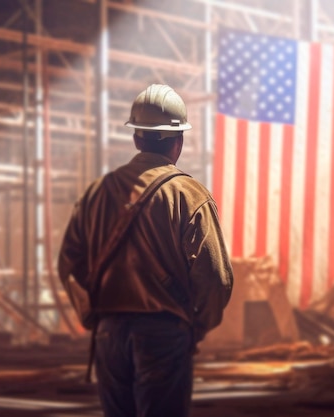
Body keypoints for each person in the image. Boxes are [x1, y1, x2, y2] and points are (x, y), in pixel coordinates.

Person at [57, 84, 233, 417]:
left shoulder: (98, 192)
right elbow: (215, 277)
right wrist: (198, 326)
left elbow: (68, 264)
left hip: (109, 335)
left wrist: (92, 314)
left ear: (137, 138)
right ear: (178, 141)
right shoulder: (189, 195)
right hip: (165, 334)